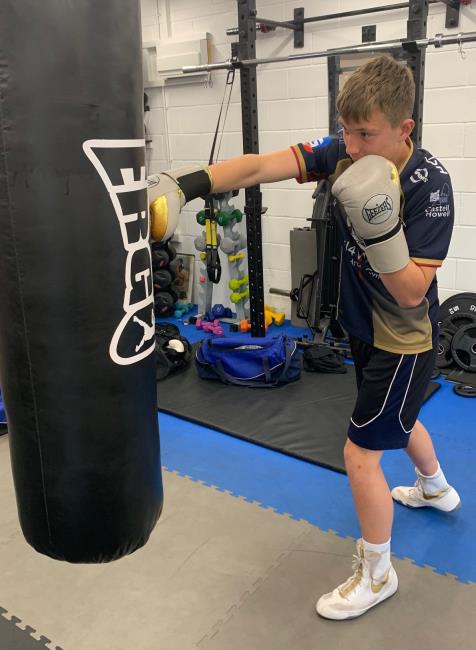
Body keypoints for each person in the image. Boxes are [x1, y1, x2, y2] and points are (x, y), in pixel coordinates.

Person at [148, 54, 461, 620]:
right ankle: (436, 487)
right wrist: (189, 182)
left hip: (403, 340)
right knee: (401, 418)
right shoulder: (344, 150)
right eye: (347, 131)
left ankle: (378, 572)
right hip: (364, 327)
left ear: (404, 128)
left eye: (367, 134)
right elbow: (260, 167)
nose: (354, 146)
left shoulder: (429, 185)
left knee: (360, 454)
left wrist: (379, 227)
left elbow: (413, 291)